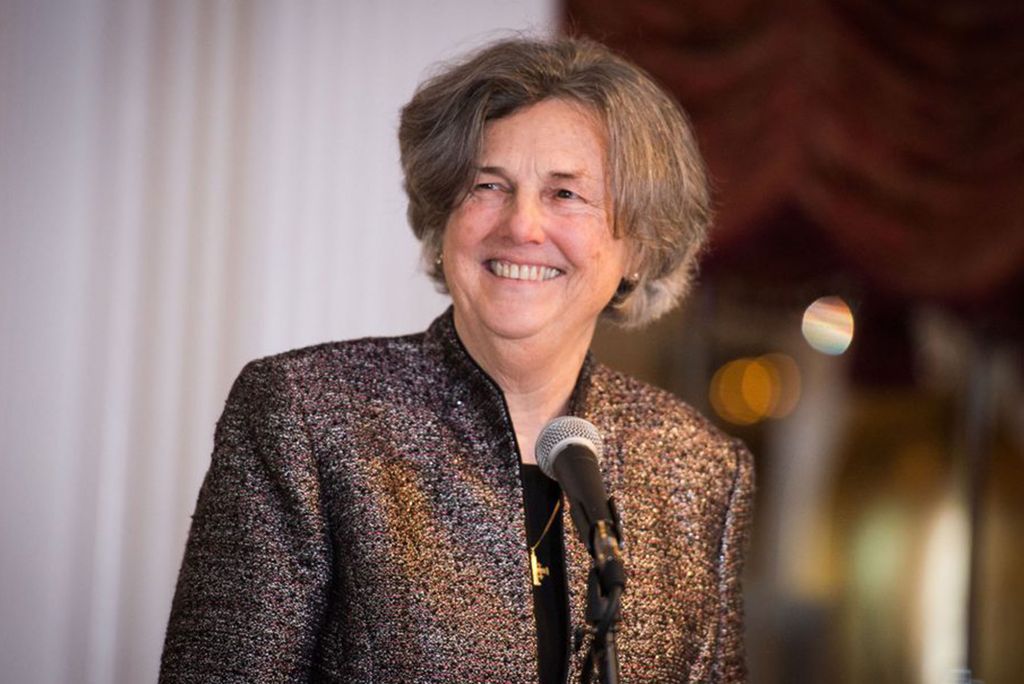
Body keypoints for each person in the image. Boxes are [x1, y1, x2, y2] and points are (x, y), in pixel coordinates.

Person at [160, 36, 754, 683]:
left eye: (565, 194)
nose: (521, 226)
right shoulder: (306, 416)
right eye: (487, 186)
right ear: (444, 221)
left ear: (639, 246)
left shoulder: (699, 470)